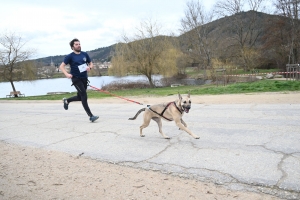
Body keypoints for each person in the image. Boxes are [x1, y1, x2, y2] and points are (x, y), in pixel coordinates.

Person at [59, 38, 99, 122]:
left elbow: (91, 63)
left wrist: (90, 67)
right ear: (72, 47)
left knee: (80, 97)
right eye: (76, 44)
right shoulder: (70, 56)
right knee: (84, 95)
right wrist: (67, 74)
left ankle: (67, 100)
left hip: (84, 78)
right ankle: (91, 116)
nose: (78, 45)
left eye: (79, 44)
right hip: (76, 79)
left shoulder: (84, 54)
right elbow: (61, 66)